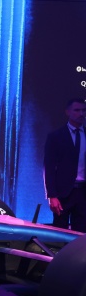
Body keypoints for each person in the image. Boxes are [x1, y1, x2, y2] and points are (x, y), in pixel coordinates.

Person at [44, 98, 86, 231]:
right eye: (77, 110)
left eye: (83, 110)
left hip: (83, 193)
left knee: (81, 233)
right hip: (63, 193)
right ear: (68, 112)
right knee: (59, 232)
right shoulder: (56, 136)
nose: (81, 114)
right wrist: (52, 196)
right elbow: (49, 167)